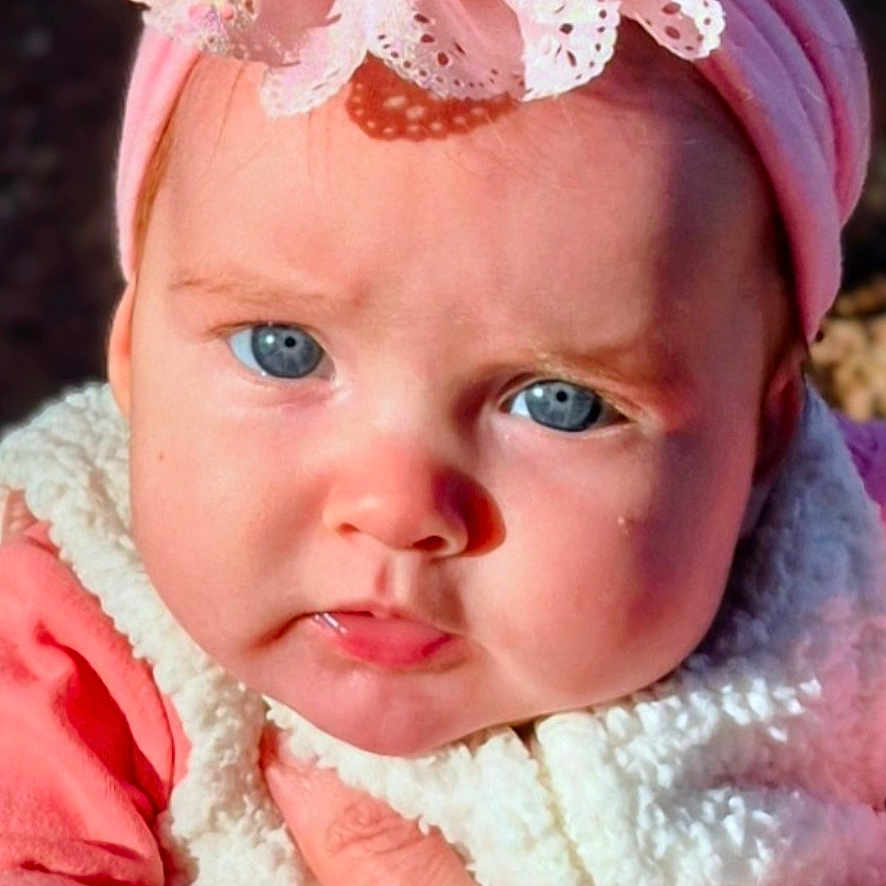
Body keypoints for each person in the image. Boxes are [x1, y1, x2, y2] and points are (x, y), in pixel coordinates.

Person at [0, 0, 883, 883]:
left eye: (560, 402)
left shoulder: (849, 613)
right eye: (284, 349)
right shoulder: (70, 651)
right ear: (133, 357)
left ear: (763, 438)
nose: (395, 509)